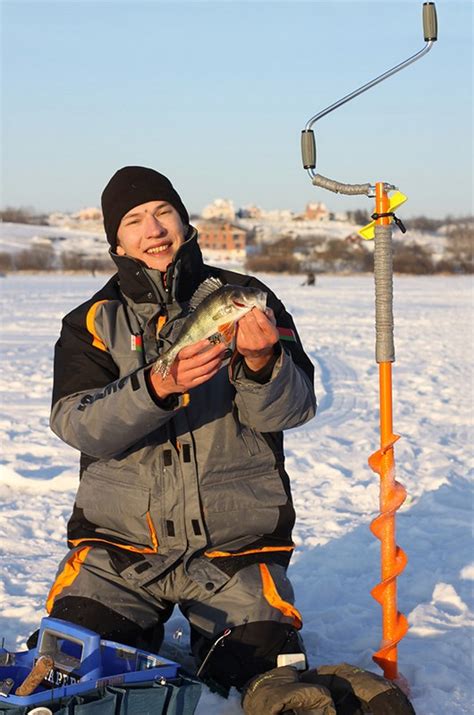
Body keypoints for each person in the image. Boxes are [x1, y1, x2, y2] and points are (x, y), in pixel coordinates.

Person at [43, 166, 320, 709]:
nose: (154, 228)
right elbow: (78, 424)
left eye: (163, 211)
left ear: (184, 219)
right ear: (115, 240)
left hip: (234, 553)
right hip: (118, 552)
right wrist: (155, 385)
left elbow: (293, 408)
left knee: (268, 674)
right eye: (134, 219)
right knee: (72, 666)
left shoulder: (250, 296)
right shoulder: (91, 322)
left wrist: (263, 361)